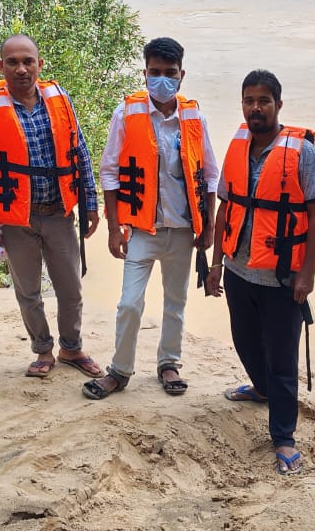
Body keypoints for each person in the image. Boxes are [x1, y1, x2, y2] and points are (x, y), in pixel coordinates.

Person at [205, 69, 315, 476]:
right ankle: (260, 389)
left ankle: (284, 437)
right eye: (249, 100)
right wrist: (217, 264)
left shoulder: (302, 152)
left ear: (278, 104)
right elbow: (226, 206)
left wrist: (307, 273)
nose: (255, 108)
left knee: (281, 360)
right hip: (239, 271)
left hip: (282, 278)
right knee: (244, 342)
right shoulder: (238, 144)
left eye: (263, 101)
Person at [83, 37, 219, 400]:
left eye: (170, 73)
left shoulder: (194, 117)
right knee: (129, 303)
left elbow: (210, 175)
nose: (162, 80)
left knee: (176, 302)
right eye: (155, 72)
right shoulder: (126, 114)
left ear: (181, 75)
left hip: (183, 230)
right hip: (141, 230)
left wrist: (209, 227)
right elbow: (109, 172)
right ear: (144, 73)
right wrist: (114, 228)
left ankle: (169, 363)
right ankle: (119, 370)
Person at [0, 34, 103, 379]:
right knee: (28, 292)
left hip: (59, 213)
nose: (21, 69)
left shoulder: (59, 100)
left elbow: (80, 151)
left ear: (39, 65)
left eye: (28, 61)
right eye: (12, 62)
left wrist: (90, 202)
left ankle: (71, 348)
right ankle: (43, 350)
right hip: (17, 219)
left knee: (71, 289)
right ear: (1, 67)